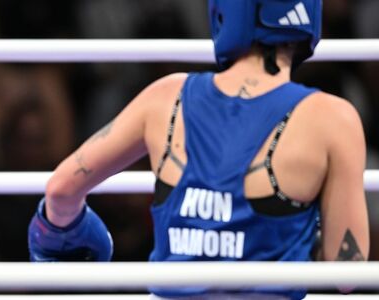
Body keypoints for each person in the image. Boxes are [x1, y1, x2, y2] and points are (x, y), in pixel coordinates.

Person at [28, 0, 369, 299]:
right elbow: (346, 271)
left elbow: (60, 190)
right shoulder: (333, 120)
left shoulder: (165, 97)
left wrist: (70, 236)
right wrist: (298, 233)